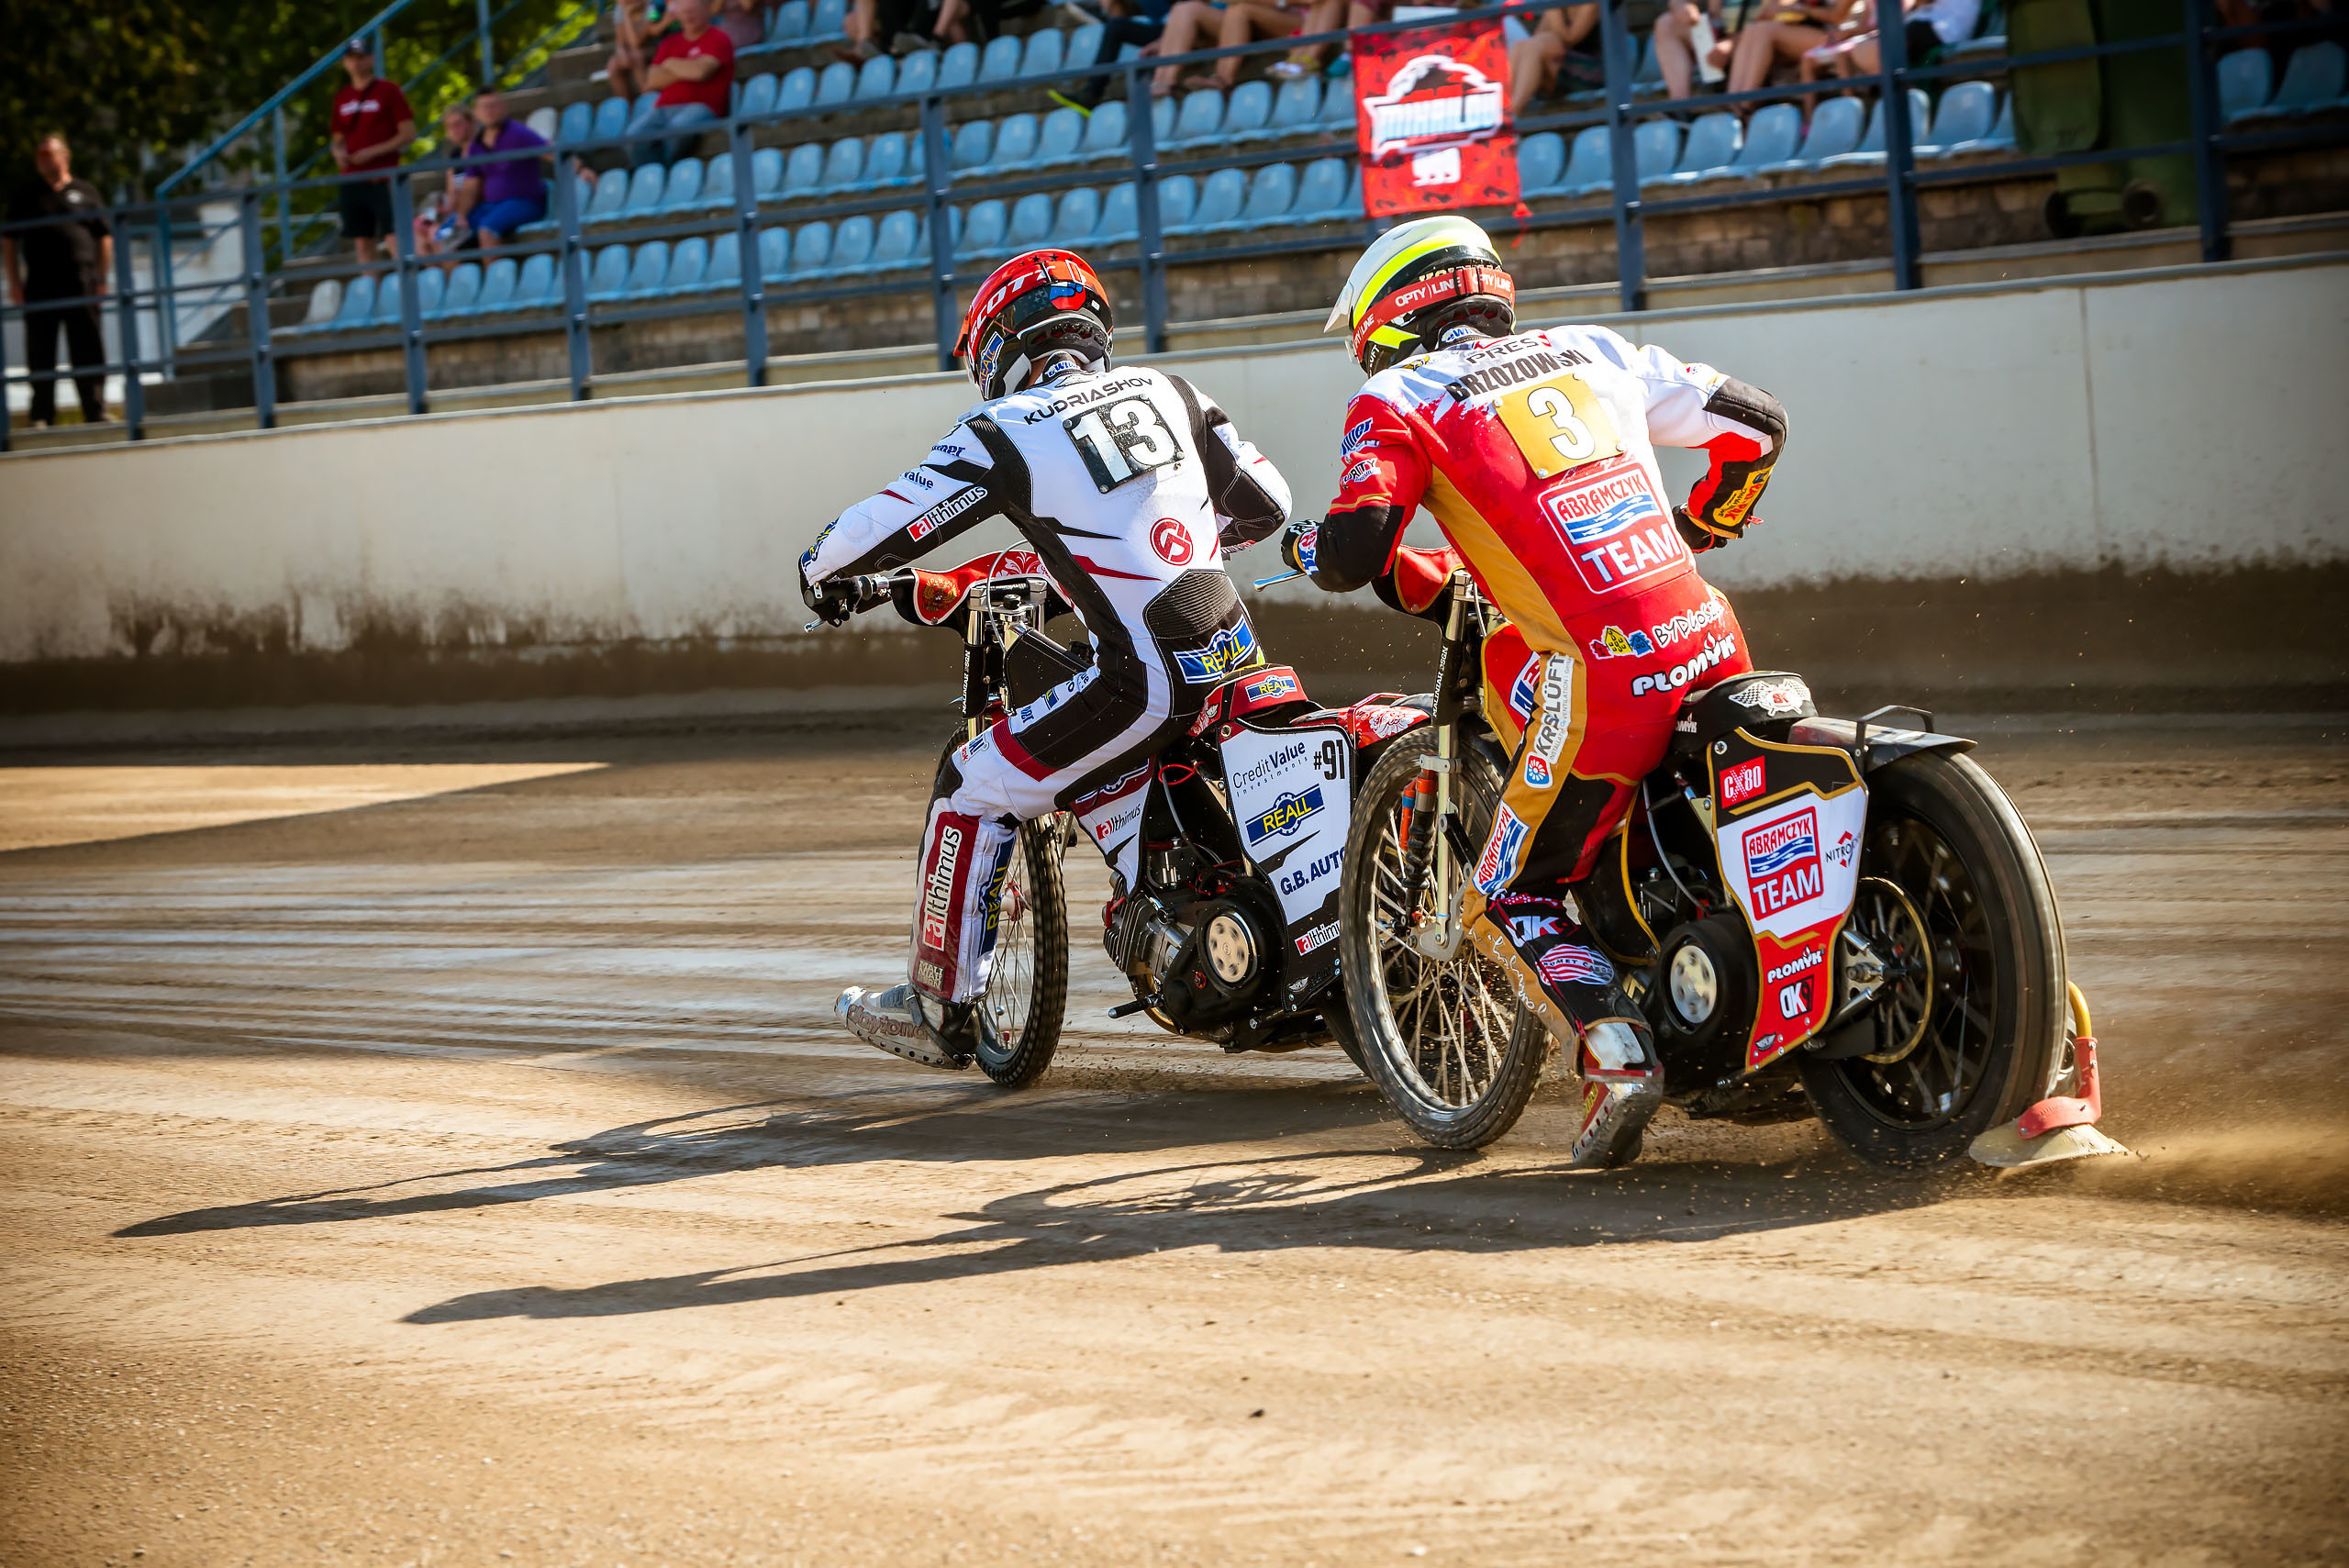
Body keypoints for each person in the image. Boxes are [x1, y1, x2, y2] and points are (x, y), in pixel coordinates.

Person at [1283, 216, 1787, 1166]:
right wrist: (1698, 529)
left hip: (1601, 677)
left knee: (1505, 884)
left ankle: (1616, 1053)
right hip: (1712, 638)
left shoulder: (1398, 396)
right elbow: (1759, 427)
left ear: (1386, 321)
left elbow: (1356, 552)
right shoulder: (1594, 348)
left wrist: (1307, 546)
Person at [800, 249, 1293, 1067]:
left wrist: (819, 571)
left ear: (999, 347)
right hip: (1230, 648)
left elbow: (876, 529)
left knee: (972, 783)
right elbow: (1267, 504)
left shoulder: (1006, 426)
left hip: (1142, 678)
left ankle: (938, 1005)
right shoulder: (1170, 390)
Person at [4, 133, 111, 428]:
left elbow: (104, 236)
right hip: (40, 286)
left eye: (49, 154)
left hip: (82, 284)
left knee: (88, 348)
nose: (43, 161)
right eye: (39, 156)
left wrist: (102, 277)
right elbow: (9, 240)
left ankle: (95, 410)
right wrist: (14, 281)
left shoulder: (86, 192)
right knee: (40, 351)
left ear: (65, 156)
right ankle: (41, 414)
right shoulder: (27, 196)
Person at [329, 38, 418, 268]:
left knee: (393, 236)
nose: (356, 63)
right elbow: (337, 140)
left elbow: (408, 133)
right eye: (351, 59)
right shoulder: (342, 98)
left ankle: (408, 288)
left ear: (371, 59)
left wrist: (373, 152)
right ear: (344, 63)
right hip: (353, 178)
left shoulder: (389, 91)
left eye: (361, 58)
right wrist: (338, 154)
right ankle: (371, 291)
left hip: (384, 177)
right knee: (362, 240)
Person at [626, 0, 736, 169]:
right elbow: (653, 79)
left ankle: (664, 173)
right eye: (684, 12)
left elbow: (700, 72)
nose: (688, 16)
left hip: (703, 106)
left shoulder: (719, 38)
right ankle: (652, 177)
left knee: (678, 128)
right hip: (664, 108)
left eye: (693, 11)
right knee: (633, 135)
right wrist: (688, 67)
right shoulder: (669, 42)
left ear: (706, 10)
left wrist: (669, 63)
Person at [1152, 0, 1315, 95]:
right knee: (1185, 9)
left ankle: (1223, 79)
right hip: (1247, 22)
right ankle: (1163, 81)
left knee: (1240, 9)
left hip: (1303, 22)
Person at [464, 86, 552, 247]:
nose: (489, 111)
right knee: (445, 236)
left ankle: (495, 272)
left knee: (487, 230)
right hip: (490, 207)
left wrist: (581, 169)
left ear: (503, 107)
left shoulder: (518, 133)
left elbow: (552, 152)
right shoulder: (475, 146)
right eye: (484, 107)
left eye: (493, 105)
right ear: (476, 112)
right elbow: (470, 187)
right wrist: (460, 217)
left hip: (526, 203)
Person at [1053, 0, 1176, 108]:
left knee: (1117, 27)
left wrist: (1162, 42)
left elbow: (1185, 13)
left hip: (1181, 31)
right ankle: (1091, 93)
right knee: (1115, 26)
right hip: (1161, 27)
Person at [414, 106, 482, 261]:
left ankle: (455, 278)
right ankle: (435, 281)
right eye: (449, 126)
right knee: (417, 227)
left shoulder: (480, 150)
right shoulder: (455, 156)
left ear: (471, 123)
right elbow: (452, 194)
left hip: (474, 211)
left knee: (437, 234)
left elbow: (477, 192)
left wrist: (457, 212)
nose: (454, 130)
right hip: (456, 212)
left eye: (458, 124)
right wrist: (437, 211)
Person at [1508, 3, 1601, 115]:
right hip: (1559, 64)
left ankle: (1512, 112)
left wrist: (1553, 11)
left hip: (1590, 70)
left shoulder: (1591, 5)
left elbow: (1568, 40)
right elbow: (1538, 38)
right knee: (1521, 45)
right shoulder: (1558, 6)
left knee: (1537, 45)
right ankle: (1505, 105)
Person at [607, 0, 674, 100]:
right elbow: (620, 40)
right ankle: (625, 107)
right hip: (635, 50)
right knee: (612, 64)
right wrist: (621, 52)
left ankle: (648, 98)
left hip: (654, 48)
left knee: (636, 56)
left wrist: (626, 14)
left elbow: (635, 43)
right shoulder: (620, 8)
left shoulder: (652, 8)